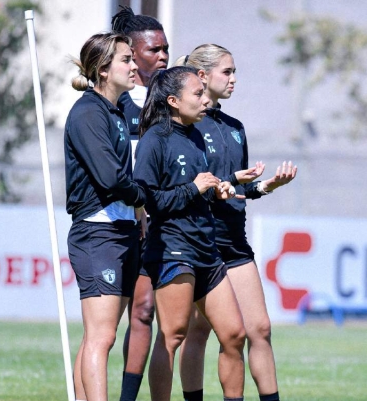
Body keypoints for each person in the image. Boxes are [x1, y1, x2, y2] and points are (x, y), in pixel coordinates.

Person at [174, 44, 297, 401]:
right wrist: (226, 183)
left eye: (234, 71)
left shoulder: (235, 128)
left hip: (234, 242)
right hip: (200, 241)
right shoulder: (185, 128)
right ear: (202, 75)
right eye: (226, 72)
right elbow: (190, 185)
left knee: (259, 328)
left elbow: (238, 188)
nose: (233, 79)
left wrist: (265, 186)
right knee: (200, 332)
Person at [133, 66, 249, 401]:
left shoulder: (196, 135)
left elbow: (199, 187)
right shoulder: (156, 139)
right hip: (173, 249)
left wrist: (216, 189)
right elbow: (147, 199)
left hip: (206, 249)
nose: (204, 99)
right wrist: (193, 189)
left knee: (234, 334)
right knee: (172, 335)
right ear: (173, 100)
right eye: (196, 94)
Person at [65, 33, 145, 401]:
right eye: (126, 60)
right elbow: (111, 177)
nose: (134, 66)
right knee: (103, 336)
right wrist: (150, 199)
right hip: (97, 234)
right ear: (102, 69)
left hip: (124, 230)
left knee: (100, 333)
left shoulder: (116, 110)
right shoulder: (86, 113)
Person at [110, 6, 169, 401]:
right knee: (104, 327)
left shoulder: (171, 100)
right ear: (131, 51)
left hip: (160, 226)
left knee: (145, 310)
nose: (163, 57)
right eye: (155, 50)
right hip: (116, 226)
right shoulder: (116, 102)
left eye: (167, 49)